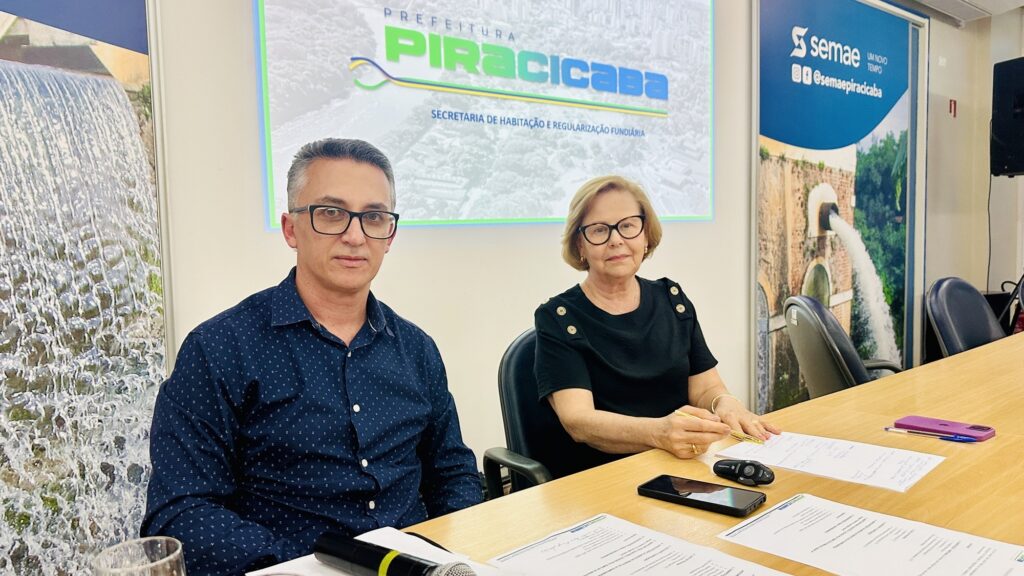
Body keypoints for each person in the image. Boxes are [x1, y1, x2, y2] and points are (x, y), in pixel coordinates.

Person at [141, 139, 482, 575]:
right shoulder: (220, 349)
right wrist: (308, 565)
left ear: (390, 235)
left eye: (374, 217)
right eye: (331, 213)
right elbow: (182, 510)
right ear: (290, 229)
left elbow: (453, 472)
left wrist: (452, 555)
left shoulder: (416, 349)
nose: (355, 236)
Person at [534, 175, 780, 477]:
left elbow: (706, 387)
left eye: (627, 225)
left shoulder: (672, 300)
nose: (616, 239)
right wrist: (659, 433)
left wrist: (727, 406)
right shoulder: (557, 318)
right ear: (579, 245)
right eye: (599, 230)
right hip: (601, 479)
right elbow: (578, 421)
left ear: (646, 235)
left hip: (683, 468)